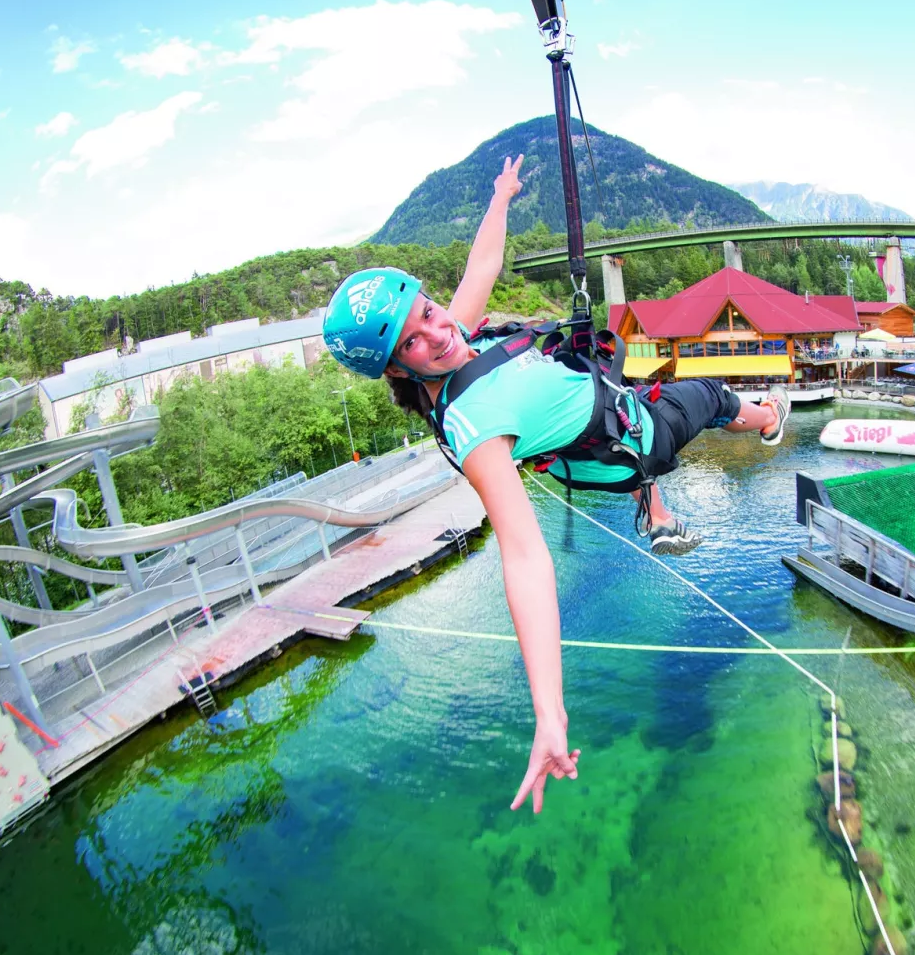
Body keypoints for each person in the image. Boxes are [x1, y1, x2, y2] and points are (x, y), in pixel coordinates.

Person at [320, 156, 788, 814]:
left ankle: (654, 510)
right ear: (397, 370)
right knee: (709, 395)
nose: (439, 331)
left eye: (428, 311)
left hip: (596, 422)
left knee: (609, 361)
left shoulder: (451, 348)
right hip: (635, 435)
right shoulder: (476, 429)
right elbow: (523, 557)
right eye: (417, 341)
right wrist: (550, 713)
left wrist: (500, 197)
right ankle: (768, 419)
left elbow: (479, 271)